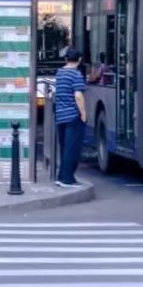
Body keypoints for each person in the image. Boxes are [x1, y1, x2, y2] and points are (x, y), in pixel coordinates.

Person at [54, 47, 87, 187]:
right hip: (73, 115)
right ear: (79, 59)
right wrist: (84, 113)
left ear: (66, 58)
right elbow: (78, 96)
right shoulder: (76, 74)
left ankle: (61, 176)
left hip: (60, 115)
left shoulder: (60, 72)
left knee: (65, 147)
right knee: (72, 148)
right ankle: (67, 179)